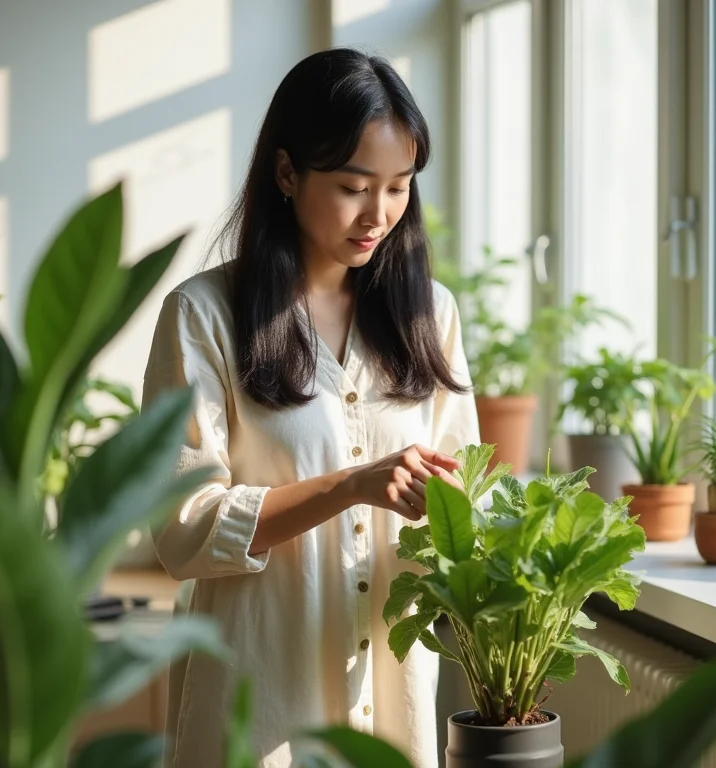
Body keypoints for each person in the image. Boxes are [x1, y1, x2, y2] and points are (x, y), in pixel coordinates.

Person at [142, 47, 480, 768]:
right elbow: (185, 529)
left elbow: (467, 492)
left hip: (392, 704)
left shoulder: (432, 316)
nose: (379, 214)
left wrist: (456, 508)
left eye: (398, 187)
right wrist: (353, 485)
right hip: (259, 700)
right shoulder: (202, 317)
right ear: (288, 173)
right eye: (355, 186)